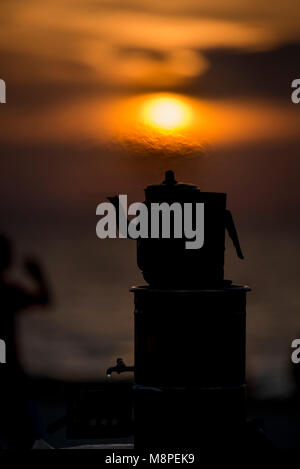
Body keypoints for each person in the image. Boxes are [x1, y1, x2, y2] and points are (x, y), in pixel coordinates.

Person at [0, 234, 51, 448]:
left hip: (10, 372)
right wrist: (39, 277)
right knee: (24, 439)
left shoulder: (9, 292)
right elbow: (44, 299)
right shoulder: (7, 293)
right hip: (10, 374)